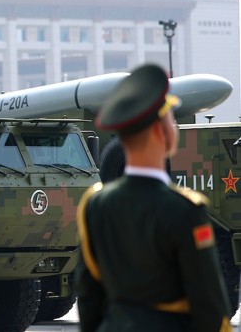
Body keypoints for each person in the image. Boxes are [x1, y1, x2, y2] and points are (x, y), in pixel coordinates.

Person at [75, 63, 232, 332]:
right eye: (171, 118)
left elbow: (89, 301)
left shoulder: (95, 205)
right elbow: (210, 307)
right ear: (160, 131)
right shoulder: (185, 209)